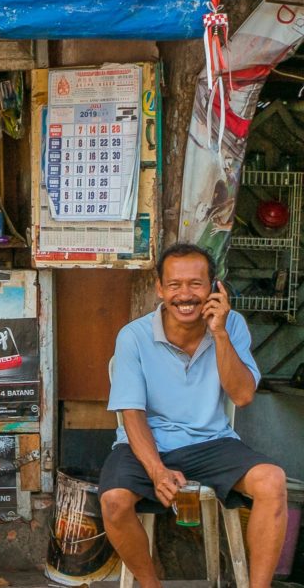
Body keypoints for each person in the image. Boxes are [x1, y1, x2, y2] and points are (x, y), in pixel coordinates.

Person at [100, 243, 287, 588]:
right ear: (160, 289)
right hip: (146, 445)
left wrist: (219, 334)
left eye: (196, 284)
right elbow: (133, 414)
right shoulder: (133, 337)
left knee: (272, 481)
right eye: (174, 285)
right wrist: (156, 470)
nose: (185, 295)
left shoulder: (232, 327)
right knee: (114, 501)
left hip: (211, 441)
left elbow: (243, 395)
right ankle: (149, 584)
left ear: (216, 287)